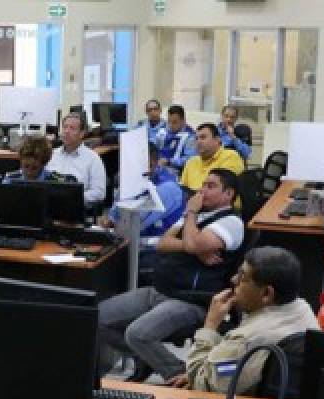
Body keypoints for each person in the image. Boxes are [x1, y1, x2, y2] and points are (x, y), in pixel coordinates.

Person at [98, 169, 246, 384]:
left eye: (211, 186)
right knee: (99, 318)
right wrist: (193, 246)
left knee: (137, 334)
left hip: (190, 300)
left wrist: (191, 218)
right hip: (160, 290)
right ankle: (147, 358)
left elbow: (193, 243)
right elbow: (163, 243)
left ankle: (181, 377)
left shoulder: (231, 222)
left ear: (228, 194)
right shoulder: (196, 216)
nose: (202, 190)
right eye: (203, 184)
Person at [169, 247, 319, 394]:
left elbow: (205, 384)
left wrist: (210, 325)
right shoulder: (303, 307)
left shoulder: (246, 339)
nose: (233, 280)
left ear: (266, 293)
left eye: (242, 277)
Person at [101, 142, 187, 271]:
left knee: (110, 266)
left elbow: (136, 223)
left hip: (156, 249)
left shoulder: (168, 187)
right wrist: (108, 221)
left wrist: (115, 224)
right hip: (133, 243)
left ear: (152, 164)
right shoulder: (132, 180)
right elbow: (113, 217)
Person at [47, 113, 108, 208]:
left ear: (82, 134)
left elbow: (99, 193)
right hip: (50, 207)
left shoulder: (93, 158)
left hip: (76, 209)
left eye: (72, 128)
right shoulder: (52, 154)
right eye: (65, 127)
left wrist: (73, 198)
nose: (67, 131)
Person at [180, 123, 245, 191]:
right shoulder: (191, 162)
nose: (198, 142)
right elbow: (182, 191)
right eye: (196, 138)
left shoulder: (230, 156)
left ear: (217, 140)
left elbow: (220, 193)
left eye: (203, 137)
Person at [3, 135, 67, 183]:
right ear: (21, 160)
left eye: (34, 168)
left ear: (44, 164)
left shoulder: (56, 182)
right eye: (26, 166)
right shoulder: (10, 179)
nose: (29, 172)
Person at [156, 105, 196, 174]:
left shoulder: (190, 137)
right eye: (169, 121)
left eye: (174, 122)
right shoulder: (162, 131)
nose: (171, 125)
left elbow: (190, 159)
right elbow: (155, 148)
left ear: (183, 121)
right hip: (158, 167)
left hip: (176, 172)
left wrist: (169, 161)